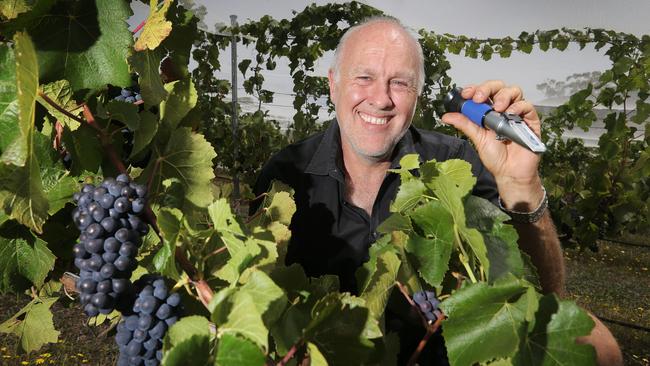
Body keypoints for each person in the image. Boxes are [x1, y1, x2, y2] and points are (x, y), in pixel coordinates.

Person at [252, 16, 622, 365]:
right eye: (364, 77)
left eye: (400, 83)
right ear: (332, 83)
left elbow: (540, 295)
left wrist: (520, 185)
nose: (381, 99)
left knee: (600, 347)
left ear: (418, 94)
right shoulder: (285, 176)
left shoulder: (457, 167)